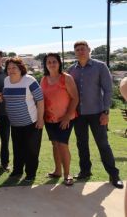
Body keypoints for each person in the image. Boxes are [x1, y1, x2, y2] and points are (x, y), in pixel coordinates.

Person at [68, 40, 123, 189]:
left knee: (103, 144)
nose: (80, 51)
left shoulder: (100, 66)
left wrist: (106, 111)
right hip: (79, 114)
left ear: (89, 50)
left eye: (83, 49)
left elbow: (108, 90)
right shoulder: (71, 69)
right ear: (75, 52)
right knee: (82, 144)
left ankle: (114, 175)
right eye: (77, 49)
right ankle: (85, 171)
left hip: (97, 113)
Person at [2, 58, 44, 182]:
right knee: (17, 149)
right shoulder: (6, 81)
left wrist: (40, 119)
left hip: (31, 123)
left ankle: (31, 174)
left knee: (31, 150)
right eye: (9, 68)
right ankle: (17, 171)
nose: (11, 70)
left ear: (20, 68)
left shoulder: (29, 80)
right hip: (15, 124)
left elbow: (40, 100)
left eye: (14, 67)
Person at [41, 53, 79, 186]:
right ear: (45, 65)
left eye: (54, 61)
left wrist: (67, 116)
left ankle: (67, 174)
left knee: (62, 145)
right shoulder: (44, 79)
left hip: (65, 118)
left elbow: (75, 98)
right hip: (49, 119)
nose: (51, 64)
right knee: (55, 144)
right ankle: (57, 171)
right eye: (49, 62)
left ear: (59, 63)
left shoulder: (66, 78)